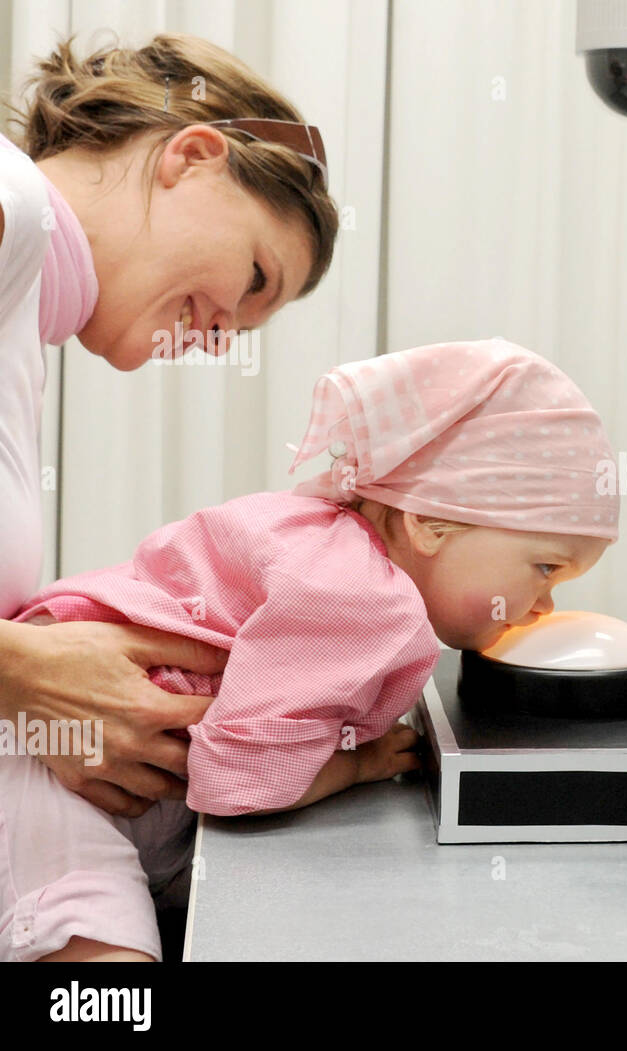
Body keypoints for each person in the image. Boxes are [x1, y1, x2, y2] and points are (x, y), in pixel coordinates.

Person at [0, 338, 620, 961]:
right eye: (545, 567)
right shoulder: (370, 600)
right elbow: (236, 781)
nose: (546, 606)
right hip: (59, 791)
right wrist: (355, 764)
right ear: (431, 523)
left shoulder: (324, 534)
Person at [0, 33, 339, 821]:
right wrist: (19, 671)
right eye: (255, 276)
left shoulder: (21, 320)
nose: (222, 337)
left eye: (247, 331)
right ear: (191, 156)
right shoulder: (12, 211)